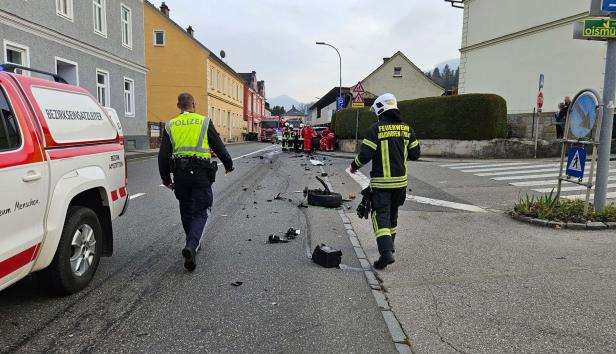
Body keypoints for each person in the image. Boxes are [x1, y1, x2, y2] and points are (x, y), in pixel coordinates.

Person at [158, 93, 234, 271]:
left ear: (178, 106)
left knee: (186, 209)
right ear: (194, 104)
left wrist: (166, 179)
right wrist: (228, 164)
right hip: (200, 173)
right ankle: (192, 245)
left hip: (180, 175)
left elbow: (163, 156)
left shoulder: (170, 125)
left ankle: (190, 242)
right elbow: (218, 146)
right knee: (201, 210)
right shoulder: (204, 122)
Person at [350, 93, 420, 270]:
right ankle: (390, 246)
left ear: (381, 109)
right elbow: (415, 154)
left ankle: (385, 253)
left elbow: (365, 155)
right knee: (393, 214)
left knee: (379, 214)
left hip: (382, 183)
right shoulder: (407, 129)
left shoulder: (375, 129)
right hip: (401, 184)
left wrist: (353, 166)